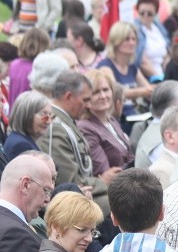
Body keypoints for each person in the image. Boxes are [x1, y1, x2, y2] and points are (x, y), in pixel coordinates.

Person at [38, 70, 118, 214]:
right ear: (68, 97)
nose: (88, 105)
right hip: (70, 203)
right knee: (123, 206)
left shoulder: (65, 122)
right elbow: (70, 181)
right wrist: (103, 182)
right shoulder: (56, 128)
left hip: (85, 193)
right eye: (85, 100)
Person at [97, 21, 155, 126]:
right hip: (117, 120)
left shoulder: (132, 66)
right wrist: (142, 91)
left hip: (135, 117)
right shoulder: (106, 66)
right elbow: (115, 93)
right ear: (116, 41)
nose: (132, 43)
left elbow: (148, 90)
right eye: (127, 39)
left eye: (134, 39)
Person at [78, 69, 134, 174]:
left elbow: (130, 155)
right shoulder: (85, 128)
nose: (103, 96)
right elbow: (104, 172)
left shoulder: (112, 120)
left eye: (105, 90)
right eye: (96, 92)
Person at [5, 91, 53, 160]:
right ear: (26, 115)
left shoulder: (21, 140)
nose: (48, 121)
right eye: (43, 114)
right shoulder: (21, 146)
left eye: (50, 115)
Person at [134, 0, 170, 82]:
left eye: (149, 13)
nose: (145, 16)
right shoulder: (135, 29)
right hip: (149, 77)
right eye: (142, 13)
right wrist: (160, 78)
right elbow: (142, 62)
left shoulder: (158, 27)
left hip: (163, 72)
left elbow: (167, 52)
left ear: (155, 13)